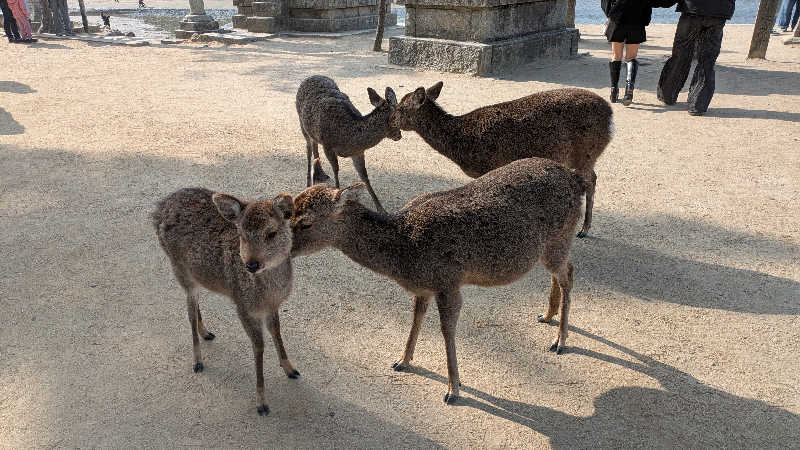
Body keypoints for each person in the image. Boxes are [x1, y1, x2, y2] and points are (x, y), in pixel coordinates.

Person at [656, 0, 735, 116]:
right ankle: (698, 105)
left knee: (681, 54)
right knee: (707, 59)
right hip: (720, 10)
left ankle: (667, 95)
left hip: (693, 8)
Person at [601, 0, 656, 105]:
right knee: (631, 57)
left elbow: (605, 2)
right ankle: (629, 90)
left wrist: (611, 13)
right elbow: (649, 4)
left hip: (618, 19)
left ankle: (614, 91)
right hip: (637, 20)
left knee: (616, 56)